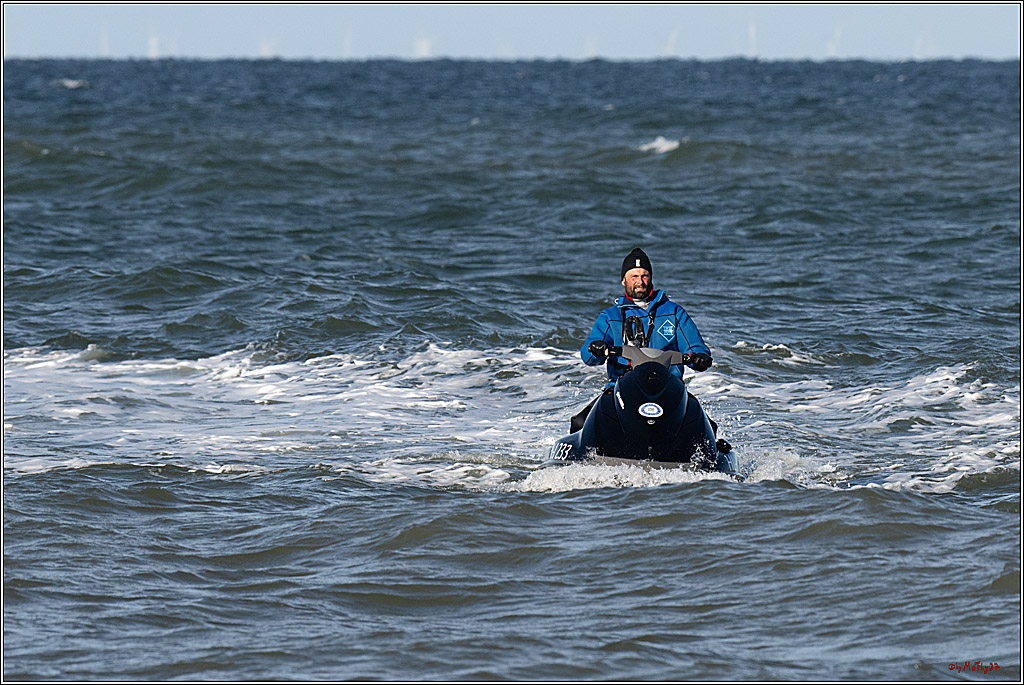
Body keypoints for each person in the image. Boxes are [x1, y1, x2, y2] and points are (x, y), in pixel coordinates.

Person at [571, 247, 716, 432]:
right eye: (634, 276)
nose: (640, 281)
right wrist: (596, 349)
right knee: (580, 423)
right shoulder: (610, 316)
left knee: (708, 427)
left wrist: (699, 358)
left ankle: (710, 457)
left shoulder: (674, 312)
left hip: (668, 390)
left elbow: (697, 348)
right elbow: (587, 356)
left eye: (645, 275)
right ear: (623, 280)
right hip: (620, 390)